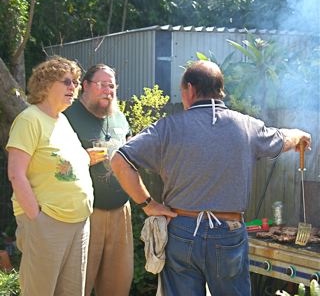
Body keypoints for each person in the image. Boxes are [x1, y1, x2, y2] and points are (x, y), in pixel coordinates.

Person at [110, 60, 312, 296]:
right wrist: (299, 135)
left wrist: (148, 204)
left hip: (181, 229)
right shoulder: (246, 126)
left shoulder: (167, 127)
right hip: (228, 231)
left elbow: (119, 160)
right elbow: (282, 137)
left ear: (191, 89)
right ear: (219, 90)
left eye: (182, 90)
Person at [6, 56, 94, 296]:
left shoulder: (63, 121)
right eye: (67, 81)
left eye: (75, 83)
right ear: (45, 84)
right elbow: (16, 173)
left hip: (78, 223)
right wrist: (37, 218)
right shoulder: (29, 119)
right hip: (48, 223)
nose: (73, 87)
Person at [64, 64, 133, 296]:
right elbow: (50, 162)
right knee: (77, 285)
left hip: (121, 212)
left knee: (117, 286)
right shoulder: (67, 117)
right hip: (84, 214)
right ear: (84, 86)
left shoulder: (119, 117)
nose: (108, 91)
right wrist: (82, 158)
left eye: (111, 86)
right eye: (102, 85)